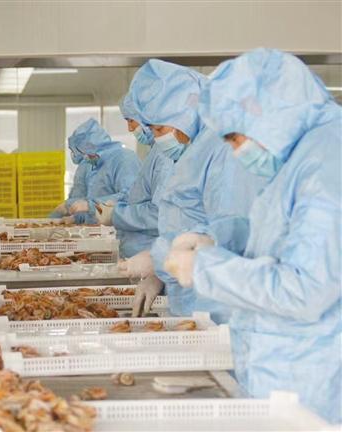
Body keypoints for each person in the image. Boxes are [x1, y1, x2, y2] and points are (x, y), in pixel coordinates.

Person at [163, 49, 341, 423]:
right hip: (289, 372)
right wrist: (217, 240)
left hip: (312, 383)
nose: (234, 151)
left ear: (269, 115)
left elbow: (306, 289)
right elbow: (280, 236)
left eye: (235, 137)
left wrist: (205, 268)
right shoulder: (304, 155)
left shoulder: (326, 166)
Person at [120, 59, 265, 322]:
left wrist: (159, 258)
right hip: (190, 297)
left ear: (184, 114)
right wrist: (160, 274)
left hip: (217, 307)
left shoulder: (222, 151)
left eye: (160, 128)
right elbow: (187, 221)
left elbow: (230, 233)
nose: (157, 138)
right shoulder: (194, 151)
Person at [96, 94, 174, 259]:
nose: (130, 128)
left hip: (150, 255)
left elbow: (159, 215)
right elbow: (141, 194)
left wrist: (116, 214)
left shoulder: (165, 156)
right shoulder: (155, 152)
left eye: (131, 120)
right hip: (139, 254)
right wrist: (118, 203)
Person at [61, 119, 141, 226]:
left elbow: (131, 197)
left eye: (88, 154)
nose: (86, 158)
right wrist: (76, 218)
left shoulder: (125, 159)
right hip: (100, 231)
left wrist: (90, 205)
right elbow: (94, 213)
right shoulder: (93, 164)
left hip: (122, 230)